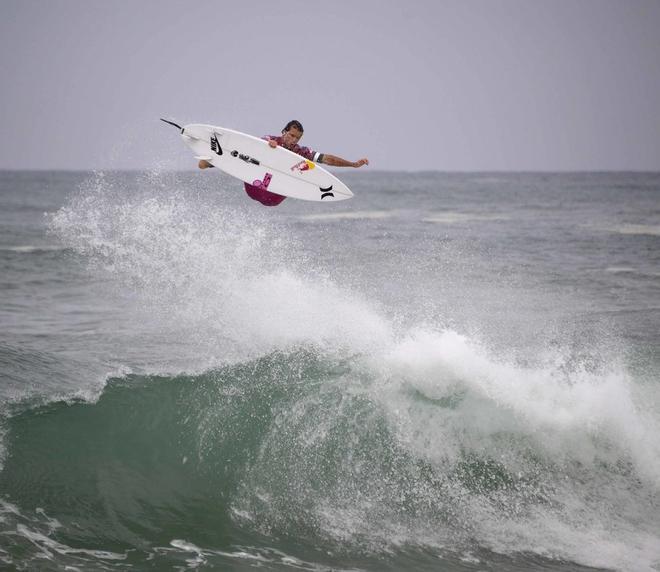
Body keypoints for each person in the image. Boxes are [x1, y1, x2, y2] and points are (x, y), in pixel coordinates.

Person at [198, 120, 369, 206]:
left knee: (303, 165)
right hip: (254, 187)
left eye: (297, 138)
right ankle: (212, 162)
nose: (294, 140)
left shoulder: (301, 152)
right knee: (249, 157)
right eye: (292, 135)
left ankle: (212, 162)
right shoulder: (269, 139)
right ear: (284, 131)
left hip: (274, 197)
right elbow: (248, 151)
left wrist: (352, 164)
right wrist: (267, 146)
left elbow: (327, 159)